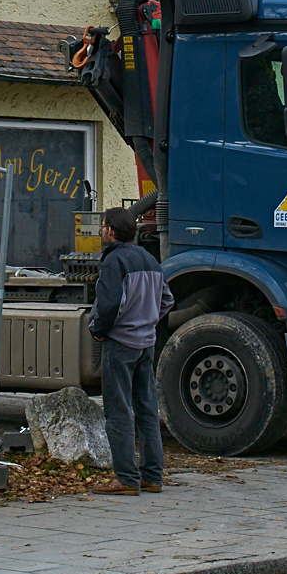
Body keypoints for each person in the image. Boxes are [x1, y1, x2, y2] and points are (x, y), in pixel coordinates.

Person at [87, 206, 173, 496]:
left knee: (119, 410)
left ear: (111, 231)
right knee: (147, 409)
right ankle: (152, 475)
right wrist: (146, 321)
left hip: (120, 343)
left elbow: (109, 305)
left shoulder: (114, 261)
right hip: (145, 344)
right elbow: (167, 300)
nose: (101, 231)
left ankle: (125, 478)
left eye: (102, 227)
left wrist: (98, 329)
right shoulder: (149, 259)